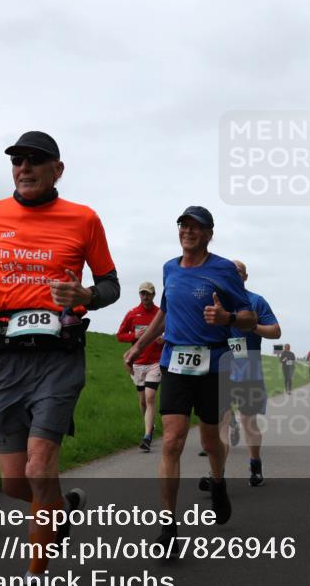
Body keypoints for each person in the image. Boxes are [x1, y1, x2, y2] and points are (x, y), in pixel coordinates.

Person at [0, 131, 120, 586]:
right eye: (17, 161)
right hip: (8, 358)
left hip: (59, 358)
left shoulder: (84, 218)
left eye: (35, 161)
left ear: (57, 169)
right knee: (16, 483)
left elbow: (111, 284)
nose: (23, 168)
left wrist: (86, 294)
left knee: (36, 467)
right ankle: (61, 507)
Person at [123, 206, 256, 548]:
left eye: (197, 227)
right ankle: (168, 528)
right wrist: (139, 346)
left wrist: (226, 316)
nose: (188, 231)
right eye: (184, 225)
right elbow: (165, 314)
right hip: (175, 364)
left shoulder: (224, 270)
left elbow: (247, 316)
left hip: (212, 365)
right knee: (172, 440)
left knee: (211, 442)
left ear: (209, 234)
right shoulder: (170, 268)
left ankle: (219, 481)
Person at [211, 260, 280, 488]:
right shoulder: (216, 300)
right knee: (222, 422)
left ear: (245, 277)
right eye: (229, 271)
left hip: (248, 369)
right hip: (221, 368)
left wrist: (251, 326)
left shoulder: (256, 301)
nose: (233, 274)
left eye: (237, 271)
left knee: (249, 421)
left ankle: (255, 463)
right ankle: (218, 475)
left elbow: (275, 332)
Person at [116, 282, 164, 451]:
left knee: (151, 397)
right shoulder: (132, 314)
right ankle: (150, 427)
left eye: (148, 294)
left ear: (154, 295)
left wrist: (164, 338)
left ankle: (147, 437)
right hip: (138, 364)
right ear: (139, 295)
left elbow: (172, 331)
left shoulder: (161, 313)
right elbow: (120, 335)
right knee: (143, 402)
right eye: (142, 293)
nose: (145, 297)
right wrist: (134, 335)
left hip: (155, 362)